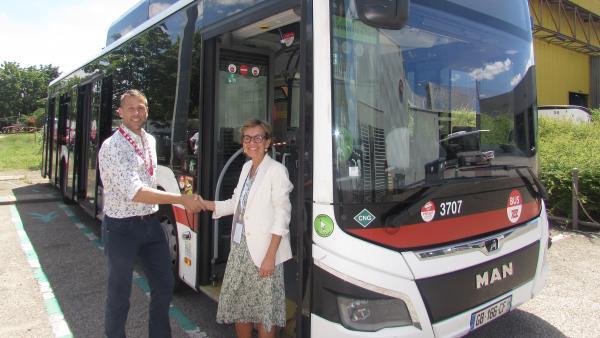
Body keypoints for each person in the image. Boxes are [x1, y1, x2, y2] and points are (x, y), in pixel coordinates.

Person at [98, 89, 204, 338]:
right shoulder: (113, 147)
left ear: (147, 110)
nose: (137, 113)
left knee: (164, 285)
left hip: (151, 225)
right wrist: (181, 199)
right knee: (119, 294)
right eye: (131, 108)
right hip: (121, 228)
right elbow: (136, 192)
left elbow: (150, 179)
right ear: (120, 112)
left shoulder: (150, 141)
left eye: (141, 107)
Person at [199, 119, 293, 338]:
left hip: (263, 252)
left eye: (258, 137)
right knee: (241, 308)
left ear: (268, 142)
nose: (252, 142)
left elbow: (282, 216)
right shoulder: (246, 168)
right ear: (242, 142)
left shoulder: (276, 171)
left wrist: (270, 257)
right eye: (247, 138)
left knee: (264, 312)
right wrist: (205, 204)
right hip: (240, 249)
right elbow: (235, 204)